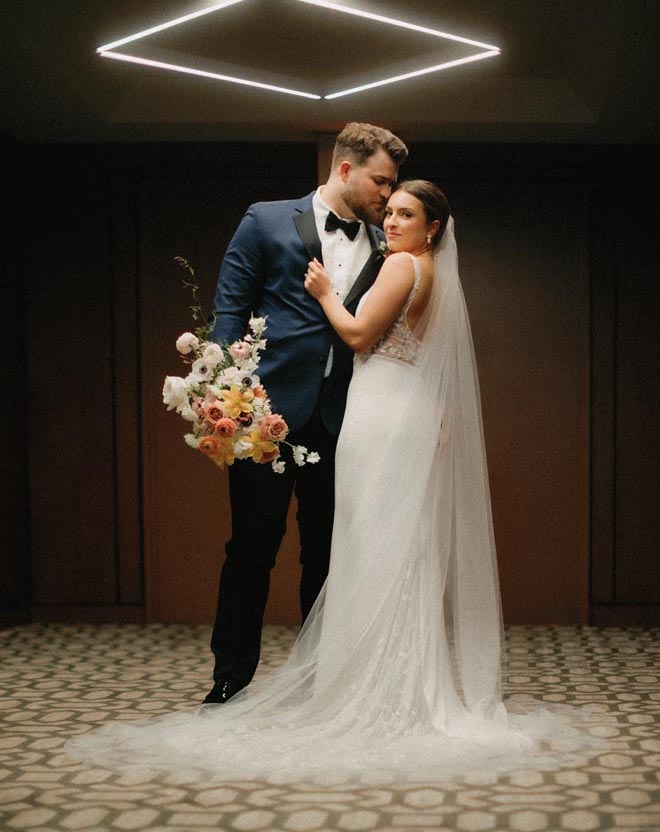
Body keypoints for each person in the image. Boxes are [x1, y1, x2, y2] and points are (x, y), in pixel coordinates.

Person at [67, 181, 602, 783]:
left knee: (355, 548)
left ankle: (354, 687)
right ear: (348, 169)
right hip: (342, 408)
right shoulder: (401, 259)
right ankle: (264, 677)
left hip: (367, 414)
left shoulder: (398, 259)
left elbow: (356, 335)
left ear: (431, 227)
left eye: (404, 211)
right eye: (388, 203)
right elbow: (240, 305)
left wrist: (324, 292)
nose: (390, 215)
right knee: (343, 547)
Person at [203, 123, 409, 704]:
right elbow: (228, 313)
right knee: (251, 549)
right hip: (264, 418)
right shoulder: (266, 219)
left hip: (344, 422)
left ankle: (321, 682)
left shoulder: (386, 244)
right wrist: (225, 399)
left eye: (393, 186)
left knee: (329, 553)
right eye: (380, 181)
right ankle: (230, 678)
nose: (388, 197)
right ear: (345, 169)